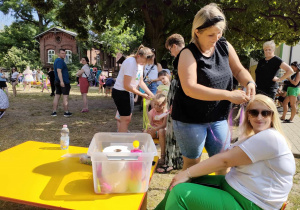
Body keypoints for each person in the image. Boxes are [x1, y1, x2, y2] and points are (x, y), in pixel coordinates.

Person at [155, 94, 295, 210]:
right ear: (248, 116)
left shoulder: (270, 137)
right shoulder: (253, 137)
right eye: (254, 112)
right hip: (238, 188)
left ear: (272, 116)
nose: (259, 117)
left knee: (180, 194)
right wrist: (185, 175)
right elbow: (225, 156)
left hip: (253, 203)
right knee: (177, 182)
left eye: (265, 113)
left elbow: (224, 160)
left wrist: (187, 172)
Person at [171, 4, 256, 173]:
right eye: (211, 34)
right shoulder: (188, 53)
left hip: (218, 117)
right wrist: (228, 95)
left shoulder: (224, 46)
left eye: (220, 33)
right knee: (192, 165)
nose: (216, 38)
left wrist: (249, 82)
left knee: (223, 162)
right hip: (190, 119)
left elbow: (238, 69)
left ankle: (217, 197)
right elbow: (190, 88)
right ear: (197, 32)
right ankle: (192, 198)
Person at [112, 45, 155, 132]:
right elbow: (126, 85)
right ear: (139, 56)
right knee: (125, 119)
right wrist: (142, 94)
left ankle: (122, 134)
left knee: (127, 118)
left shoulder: (140, 64)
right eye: (144, 61)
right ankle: (122, 140)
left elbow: (140, 82)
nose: (145, 64)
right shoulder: (130, 62)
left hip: (128, 92)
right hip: (121, 92)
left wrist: (151, 94)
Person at [164, 33, 185, 171]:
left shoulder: (182, 58)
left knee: (173, 131)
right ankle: (177, 162)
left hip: (177, 101)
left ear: (174, 46)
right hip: (177, 100)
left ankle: (171, 162)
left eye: (170, 50)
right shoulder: (186, 57)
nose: (171, 53)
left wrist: (173, 103)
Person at [145, 94, 168, 171]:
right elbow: (149, 123)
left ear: (164, 105)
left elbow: (164, 125)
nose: (156, 107)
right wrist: (149, 128)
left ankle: (163, 156)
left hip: (162, 130)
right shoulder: (152, 111)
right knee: (146, 133)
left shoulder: (165, 112)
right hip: (154, 130)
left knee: (161, 131)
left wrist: (156, 129)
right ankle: (146, 155)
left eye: (158, 105)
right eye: (154, 104)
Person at [51, 49, 72, 117]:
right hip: (63, 82)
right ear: (58, 54)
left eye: (64, 53)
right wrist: (62, 81)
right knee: (65, 96)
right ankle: (66, 112)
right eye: (62, 53)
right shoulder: (60, 61)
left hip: (57, 81)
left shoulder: (56, 61)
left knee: (57, 96)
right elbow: (58, 71)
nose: (64, 54)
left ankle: (54, 112)